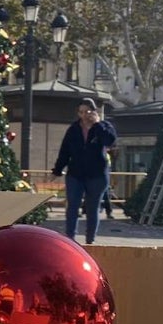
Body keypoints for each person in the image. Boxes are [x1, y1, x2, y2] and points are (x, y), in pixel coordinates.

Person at [52, 98, 117, 245]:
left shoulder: (104, 127)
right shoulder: (74, 129)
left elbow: (110, 141)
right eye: (81, 112)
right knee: (72, 207)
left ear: (94, 112)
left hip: (97, 175)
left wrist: (97, 125)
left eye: (87, 112)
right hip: (75, 174)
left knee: (92, 208)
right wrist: (57, 170)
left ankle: (90, 240)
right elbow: (65, 151)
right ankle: (70, 240)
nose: (84, 115)